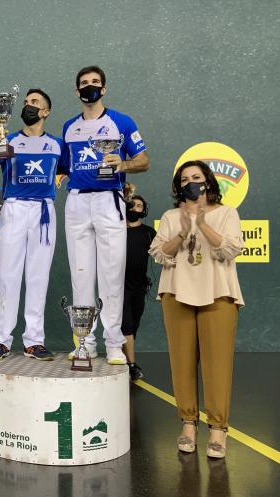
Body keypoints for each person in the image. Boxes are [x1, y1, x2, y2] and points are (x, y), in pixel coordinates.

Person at [150, 160, 243, 459]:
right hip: (177, 293)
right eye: (185, 178)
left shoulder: (227, 213)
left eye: (197, 177)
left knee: (218, 364)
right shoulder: (169, 216)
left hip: (219, 294)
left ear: (208, 182)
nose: (191, 182)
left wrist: (202, 223)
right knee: (181, 362)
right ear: (178, 186)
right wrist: (183, 230)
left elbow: (230, 249)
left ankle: (218, 429)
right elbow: (158, 253)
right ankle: (188, 425)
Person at [62, 65, 150, 365]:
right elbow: (63, 166)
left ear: (104, 88)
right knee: (81, 274)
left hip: (109, 201)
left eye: (95, 82)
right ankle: (85, 341)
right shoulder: (68, 127)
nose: (90, 86)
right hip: (76, 203)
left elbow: (144, 160)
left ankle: (113, 343)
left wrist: (122, 166)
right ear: (77, 91)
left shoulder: (121, 123)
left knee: (112, 274)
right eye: (84, 83)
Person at [0, 88, 62, 361]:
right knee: (8, 276)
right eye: (25, 102)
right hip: (13, 207)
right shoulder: (7, 140)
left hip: (43, 212)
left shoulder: (58, 144)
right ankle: (1, 339)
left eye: (35, 102)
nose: (28, 106)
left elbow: (72, 173)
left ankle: (34, 340)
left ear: (46, 111)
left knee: (38, 277)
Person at [122, 188, 156, 381]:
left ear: (144, 211)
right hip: (120, 287)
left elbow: (163, 253)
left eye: (139, 205)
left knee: (133, 326)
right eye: (131, 205)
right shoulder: (116, 230)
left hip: (140, 287)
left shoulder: (149, 233)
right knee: (126, 325)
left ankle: (124, 354)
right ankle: (131, 365)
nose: (135, 208)